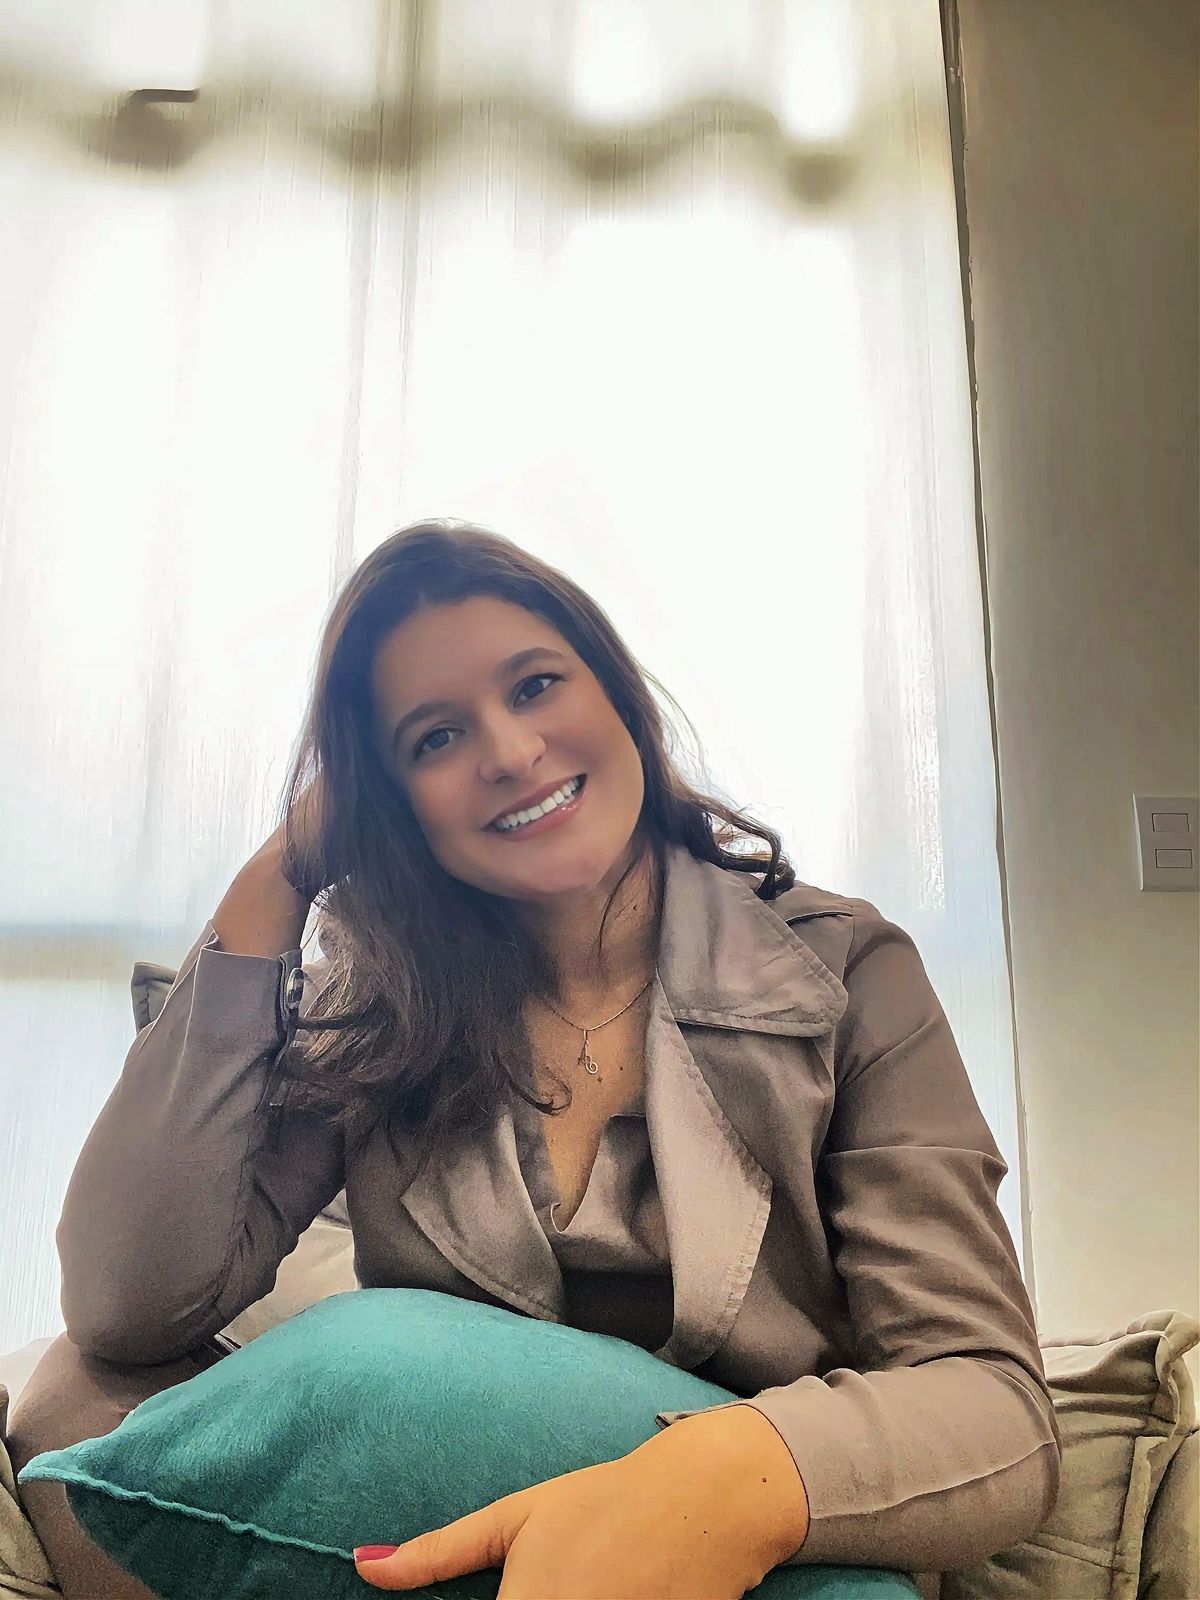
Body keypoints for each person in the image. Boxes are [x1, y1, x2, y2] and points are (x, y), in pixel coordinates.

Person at [46, 519, 1061, 1598]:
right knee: (74, 1403)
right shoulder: (377, 1009)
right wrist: (277, 878)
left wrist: (716, 1484)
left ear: (618, 694)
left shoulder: (848, 968)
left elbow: (990, 1403)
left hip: (761, 1525)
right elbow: (128, 1301)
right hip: (455, 1537)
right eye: (435, 739)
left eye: (535, 686)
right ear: (386, 803)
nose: (508, 752)